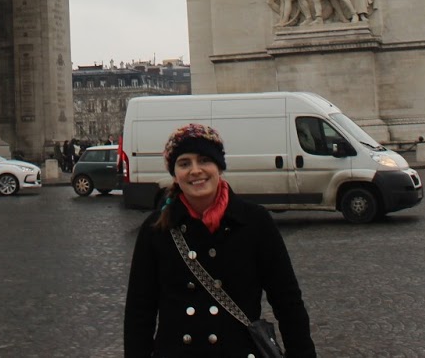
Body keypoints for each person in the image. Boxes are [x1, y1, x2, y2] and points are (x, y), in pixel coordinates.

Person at [124, 123, 315, 357]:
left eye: (204, 160)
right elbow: (139, 313)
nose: (195, 171)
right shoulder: (156, 229)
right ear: (175, 174)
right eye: (184, 163)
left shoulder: (255, 222)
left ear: (219, 167)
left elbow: (288, 302)